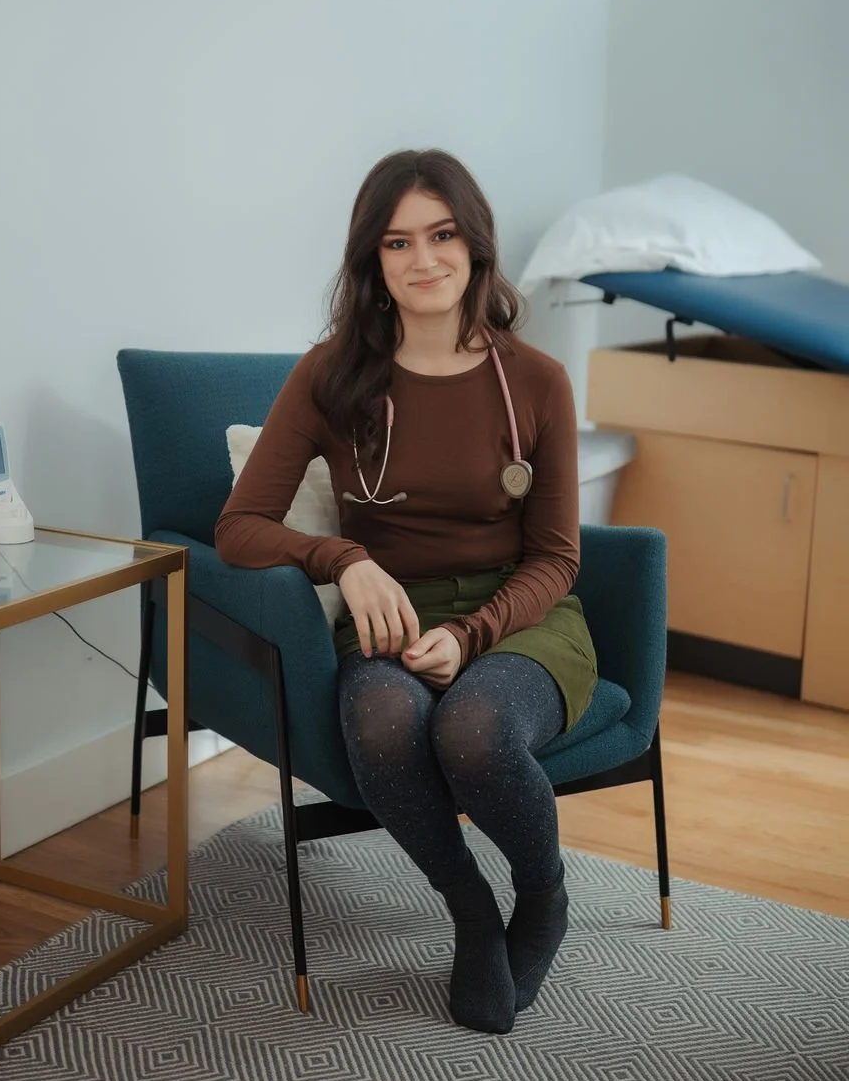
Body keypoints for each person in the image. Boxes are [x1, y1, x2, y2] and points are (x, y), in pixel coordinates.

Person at [215, 148, 597, 1035]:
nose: (424, 260)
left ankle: (541, 898)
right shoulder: (332, 374)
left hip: (521, 616)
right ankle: (469, 912)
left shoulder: (536, 379)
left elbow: (556, 556)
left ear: (475, 245)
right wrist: (343, 559)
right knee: (385, 721)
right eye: (398, 243)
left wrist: (473, 633)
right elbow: (241, 526)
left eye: (442, 234)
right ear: (373, 263)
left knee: (475, 727)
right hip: (388, 610)